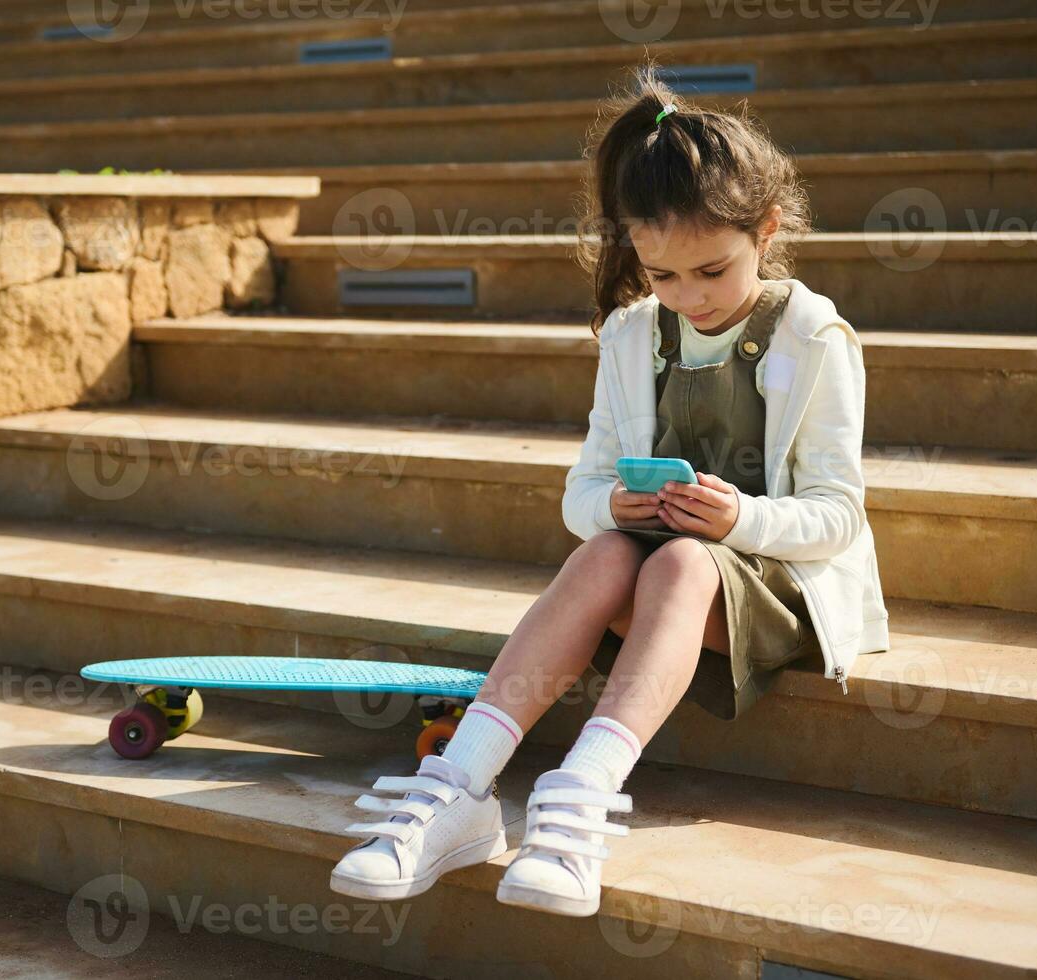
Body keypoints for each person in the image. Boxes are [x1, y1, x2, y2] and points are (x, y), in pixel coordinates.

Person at [329, 63, 890, 917]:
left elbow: (838, 517)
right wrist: (613, 509)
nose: (687, 297)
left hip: (780, 587)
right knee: (601, 552)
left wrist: (737, 516)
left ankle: (581, 795)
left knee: (678, 568)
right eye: (662, 274)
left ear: (767, 229)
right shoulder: (632, 334)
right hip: (659, 576)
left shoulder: (811, 333)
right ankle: (459, 789)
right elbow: (580, 491)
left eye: (712, 270)